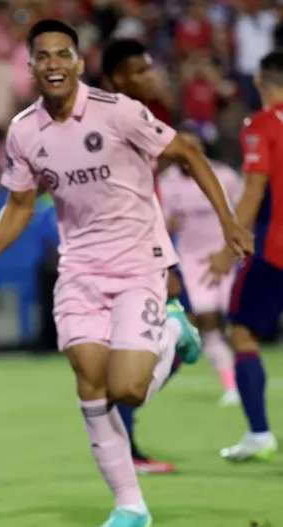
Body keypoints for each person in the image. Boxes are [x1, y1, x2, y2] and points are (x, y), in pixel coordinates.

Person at [0, 20, 251, 527]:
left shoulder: (120, 113)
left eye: (62, 54)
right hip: (79, 272)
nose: (53, 64)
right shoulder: (26, 130)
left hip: (138, 267)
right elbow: (21, 203)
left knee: (128, 390)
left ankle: (175, 330)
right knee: (89, 380)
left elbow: (186, 152)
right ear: (30, 67)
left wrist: (228, 222)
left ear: (78, 62)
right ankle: (130, 505)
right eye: (43, 56)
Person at [99, 37, 207, 474]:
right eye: (142, 70)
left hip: (145, 247)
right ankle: (124, 445)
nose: (153, 76)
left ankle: (125, 442)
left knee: (133, 356)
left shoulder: (142, 118)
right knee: (139, 351)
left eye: (151, 68)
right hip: (123, 254)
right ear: (119, 77)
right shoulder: (111, 120)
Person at [207, 49, 283, 462]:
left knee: (242, 335)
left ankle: (259, 434)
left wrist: (228, 247)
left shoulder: (263, 126)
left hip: (275, 249)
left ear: (260, 81)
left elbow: (254, 190)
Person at [159, 128, 242, 407]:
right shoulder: (168, 182)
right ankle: (231, 384)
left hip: (228, 256)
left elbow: (243, 215)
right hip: (193, 261)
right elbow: (164, 220)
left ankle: (242, 378)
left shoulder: (225, 176)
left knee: (236, 324)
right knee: (206, 321)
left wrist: (231, 251)